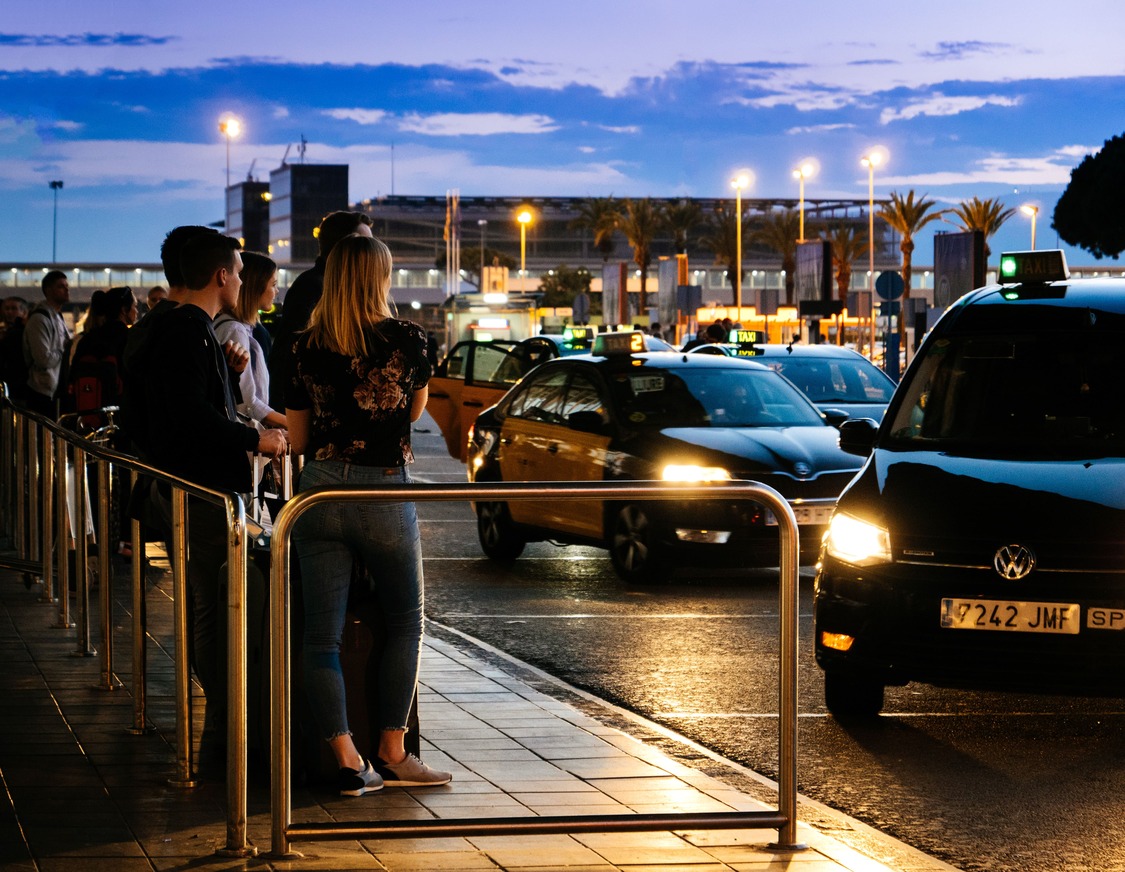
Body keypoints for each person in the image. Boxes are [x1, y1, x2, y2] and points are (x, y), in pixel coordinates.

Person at [285, 233, 450, 795]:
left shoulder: (303, 345)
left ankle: (348, 760)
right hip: (383, 492)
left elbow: (301, 436)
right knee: (406, 620)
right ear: (380, 278)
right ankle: (394, 750)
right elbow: (413, 415)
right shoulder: (407, 339)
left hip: (320, 495)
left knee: (319, 637)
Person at [143, 232, 287, 764]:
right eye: (238, 270)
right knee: (212, 607)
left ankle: (224, 723)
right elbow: (188, 415)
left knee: (209, 603)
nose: (245, 280)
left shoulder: (185, 326)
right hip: (200, 488)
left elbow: (190, 401)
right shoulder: (186, 328)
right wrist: (257, 438)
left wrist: (227, 374)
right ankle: (224, 726)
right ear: (221, 275)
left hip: (190, 485)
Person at [269, 210, 373, 410]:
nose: (372, 250)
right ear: (343, 246)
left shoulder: (340, 286)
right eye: (365, 243)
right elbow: (288, 354)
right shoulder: (314, 286)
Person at [213, 251, 287, 519]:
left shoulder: (235, 327)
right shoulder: (234, 331)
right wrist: (293, 425)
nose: (277, 291)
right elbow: (248, 402)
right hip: (243, 448)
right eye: (273, 284)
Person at [22, 270, 72, 417]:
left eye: (67, 286)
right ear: (48, 290)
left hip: (54, 389)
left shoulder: (57, 316)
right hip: (42, 390)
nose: (67, 289)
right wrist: (64, 349)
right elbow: (43, 359)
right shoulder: (40, 319)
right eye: (61, 286)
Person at [0, 296, 29, 402]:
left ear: (24, 312)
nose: (9, 312)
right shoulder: (6, 331)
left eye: (14, 308)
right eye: (7, 309)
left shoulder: (22, 332)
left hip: (19, 383)